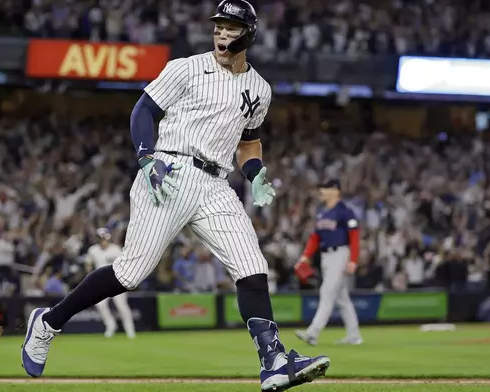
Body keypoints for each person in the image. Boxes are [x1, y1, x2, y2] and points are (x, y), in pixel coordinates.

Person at [20, 1, 330, 390]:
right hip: (170, 170)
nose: (220, 34)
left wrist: (256, 174)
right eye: (218, 27)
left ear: (248, 33)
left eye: (230, 27)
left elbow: (248, 143)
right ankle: (48, 322)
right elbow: (143, 112)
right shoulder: (186, 67)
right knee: (129, 273)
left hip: (216, 183)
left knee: (252, 266)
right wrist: (146, 158)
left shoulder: (260, 89)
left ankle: (273, 360)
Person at [294, 180, 363, 345]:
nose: (321, 191)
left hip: (340, 254)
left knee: (326, 292)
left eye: (325, 188)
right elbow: (315, 238)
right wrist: (305, 256)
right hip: (326, 257)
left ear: (335, 190)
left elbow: (354, 236)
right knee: (342, 298)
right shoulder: (322, 213)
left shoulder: (345, 212)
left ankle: (313, 333)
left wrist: (353, 260)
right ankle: (354, 335)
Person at [84, 228, 136, 339]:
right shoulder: (93, 250)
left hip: (117, 281)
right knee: (100, 305)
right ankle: (111, 325)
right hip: (101, 282)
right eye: (101, 238)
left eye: (105, 238)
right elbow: (88, 263)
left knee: (122, 306)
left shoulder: (116, 249)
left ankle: (129, 329)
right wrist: (89, 276)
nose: (103, 241)